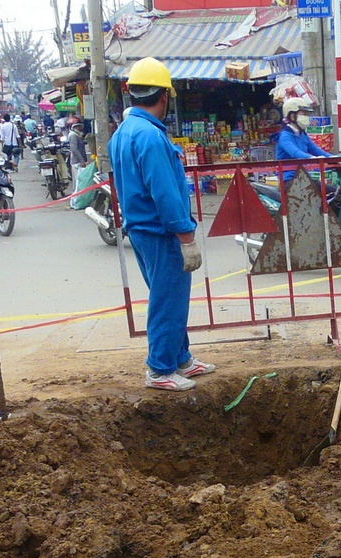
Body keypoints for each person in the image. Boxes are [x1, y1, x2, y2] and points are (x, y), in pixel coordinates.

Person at [108, 57, 213, 392]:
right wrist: (186, 236)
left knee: (166, 296)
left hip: (141, 230)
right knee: (168, 300)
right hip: (161, 231)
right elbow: (166, 192)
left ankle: (179, 357)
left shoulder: (123, 132)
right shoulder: (151, 137)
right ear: (165, 95)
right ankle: (160, 367)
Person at [274, 96, 331, 179]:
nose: (307, 117)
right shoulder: (284, 136)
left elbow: (316, 150)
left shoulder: (302, 134)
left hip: (303, 177)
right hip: (289, 179)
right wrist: (311, 158)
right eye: (304, 114)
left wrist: (332, 157)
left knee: (333, 190)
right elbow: (295, 152)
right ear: (292, 116)